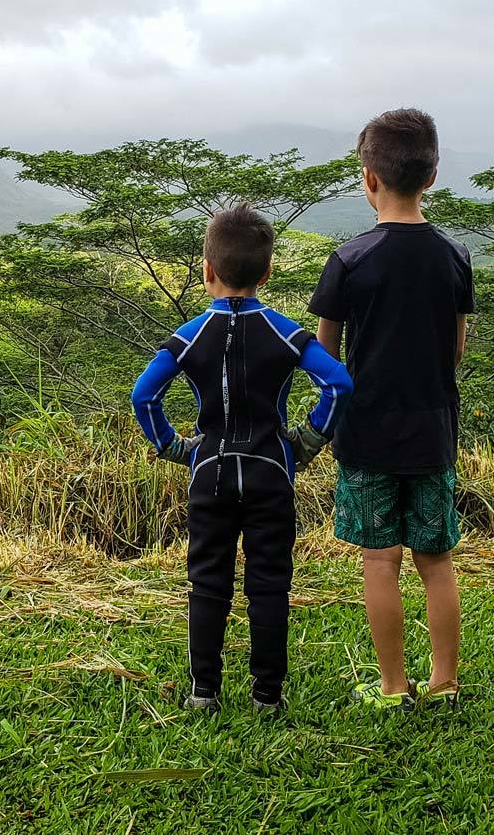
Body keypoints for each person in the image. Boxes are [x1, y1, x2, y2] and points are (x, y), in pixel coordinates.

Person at [131, 203, 353, 714]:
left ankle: (202, 692)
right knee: (269, 583)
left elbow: (144, 397)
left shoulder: (186, 338)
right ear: (267, 272)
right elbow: (338, 384)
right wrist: (307, 442)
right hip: (271, 470)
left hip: (207, 472)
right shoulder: (287, 333)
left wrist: (172, 447)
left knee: (207, 581)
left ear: (207, 271)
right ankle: (266, 697)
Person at [308, 108, 474, 711]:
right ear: (431, 177)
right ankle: (445, 684)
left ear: (368, 178)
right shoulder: (454, 256)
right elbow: (454, 351)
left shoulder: (350, 259)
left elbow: (326, 360)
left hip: (367, 433)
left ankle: (392, 687)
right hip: (432, 429)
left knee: (380, 561)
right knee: (437, 559)